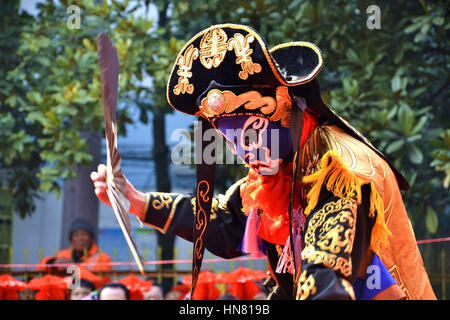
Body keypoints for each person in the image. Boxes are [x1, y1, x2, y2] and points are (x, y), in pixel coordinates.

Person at [91, 24, 435, 300]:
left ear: (286, 110)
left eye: (252, 135)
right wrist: (135, 201)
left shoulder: (342, 170)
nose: (244, 152)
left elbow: (325, 278)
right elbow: (226, 225)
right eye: (232, 141)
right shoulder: (274, 172)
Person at [38, 218, 112, 273]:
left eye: (84, 235)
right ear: (71, 240)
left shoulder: (102, 257)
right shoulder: (64, 254)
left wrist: (75, 268)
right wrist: (53, 262)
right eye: (76, 235)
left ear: (91, 238)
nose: (81, 238)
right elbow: (39, 267)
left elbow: (101, 280)